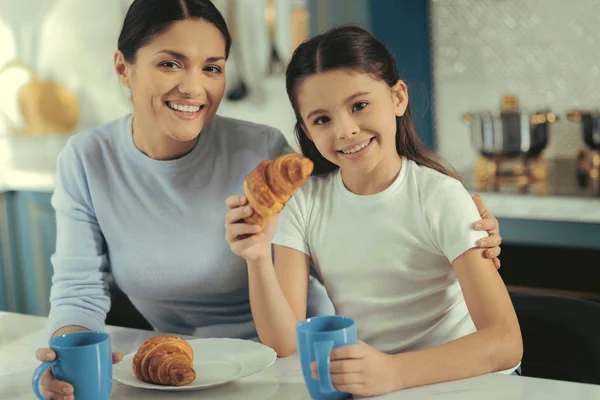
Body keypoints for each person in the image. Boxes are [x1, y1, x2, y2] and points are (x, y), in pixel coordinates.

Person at [33, 1, 502, 398]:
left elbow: (357, 234)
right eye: (170, 63)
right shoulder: (86, 160)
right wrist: (64, 361)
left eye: (212, 67)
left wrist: (460, 233)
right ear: (124, 67)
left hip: (307, 363)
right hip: (193, 369)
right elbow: (77, 288)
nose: (194, 87)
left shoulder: (264, 155)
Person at [225, 25, 522, 398]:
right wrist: (256, 258)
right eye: (322, 119)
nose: (346, 130)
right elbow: (285, 343)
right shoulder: (304, 201)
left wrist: (394, 372)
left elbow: (505, 342)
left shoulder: (440, 196)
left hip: (468, 381)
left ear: (398, 98)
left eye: (359, 105)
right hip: (378, 384)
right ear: (306, 129)